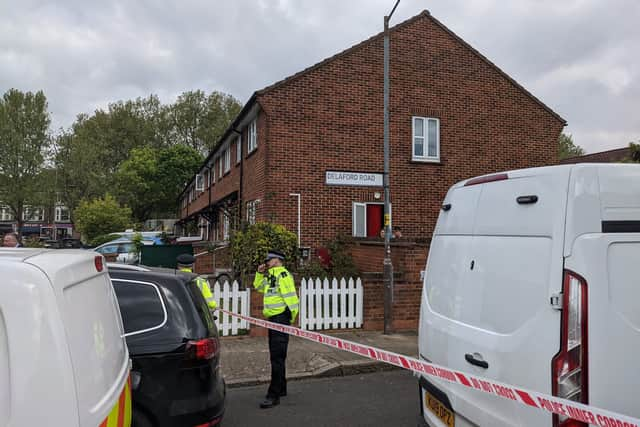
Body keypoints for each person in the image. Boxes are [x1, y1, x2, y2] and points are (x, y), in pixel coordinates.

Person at [253, 250, 299, 409]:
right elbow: (258, 287)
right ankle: (282, 387)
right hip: (273, 319)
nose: (266, 262)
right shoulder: (271, 275)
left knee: (277, 357)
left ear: (278, 260)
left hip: (280, 319)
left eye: (269, 260)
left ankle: (273, 395)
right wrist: (259, 274)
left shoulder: (283, 275)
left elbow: (292, 298)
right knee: (277, 355)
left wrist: (289, 316)